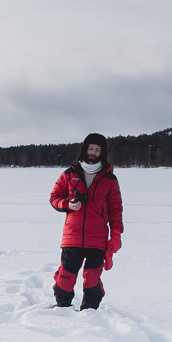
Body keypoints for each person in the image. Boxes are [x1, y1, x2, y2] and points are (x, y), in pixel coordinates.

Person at [49, 133, 123, 310]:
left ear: (102, 153)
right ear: (85, 149)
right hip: (72, 237)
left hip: (97, 239)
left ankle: (90, 314)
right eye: (90, 148)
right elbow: (54, 198)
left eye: (97, 150)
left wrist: (116, 236)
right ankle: (62, 310)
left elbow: (116, 210)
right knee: (65, 278)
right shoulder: (69, 174)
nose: (93, 153)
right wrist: (67, 204)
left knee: (92, 279)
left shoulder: (110, 179)